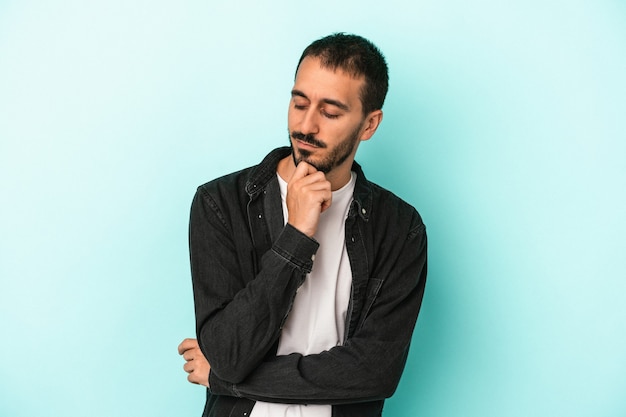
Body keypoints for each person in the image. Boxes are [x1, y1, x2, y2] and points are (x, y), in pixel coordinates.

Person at [178, 33, 427, 417]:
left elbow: (373, 373)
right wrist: (296, 236)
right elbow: (228, 352)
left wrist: (226, 380)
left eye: (330, 112)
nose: (306, 125)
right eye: (299, 103)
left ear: (369, 124)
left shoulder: (399, 228)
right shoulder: (220, 203)